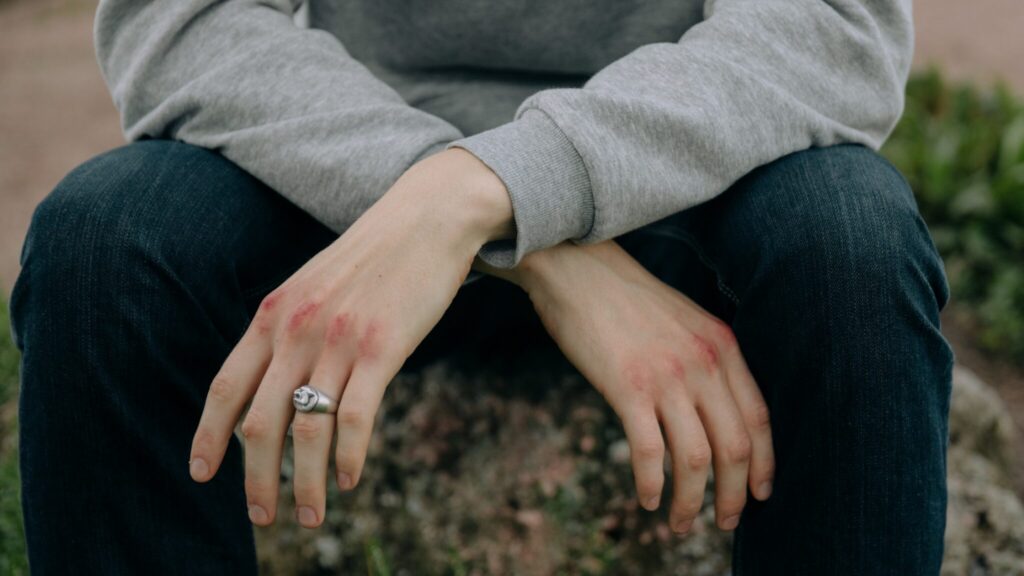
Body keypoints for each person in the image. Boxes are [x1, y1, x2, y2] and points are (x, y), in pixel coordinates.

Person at [9, 0, 953, 573]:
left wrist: (485, 190)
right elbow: (182, 21)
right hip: (360, 189)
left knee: (853, 243)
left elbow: (833, 28)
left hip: (677, 180)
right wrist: (509, 229)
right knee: (106, 242)